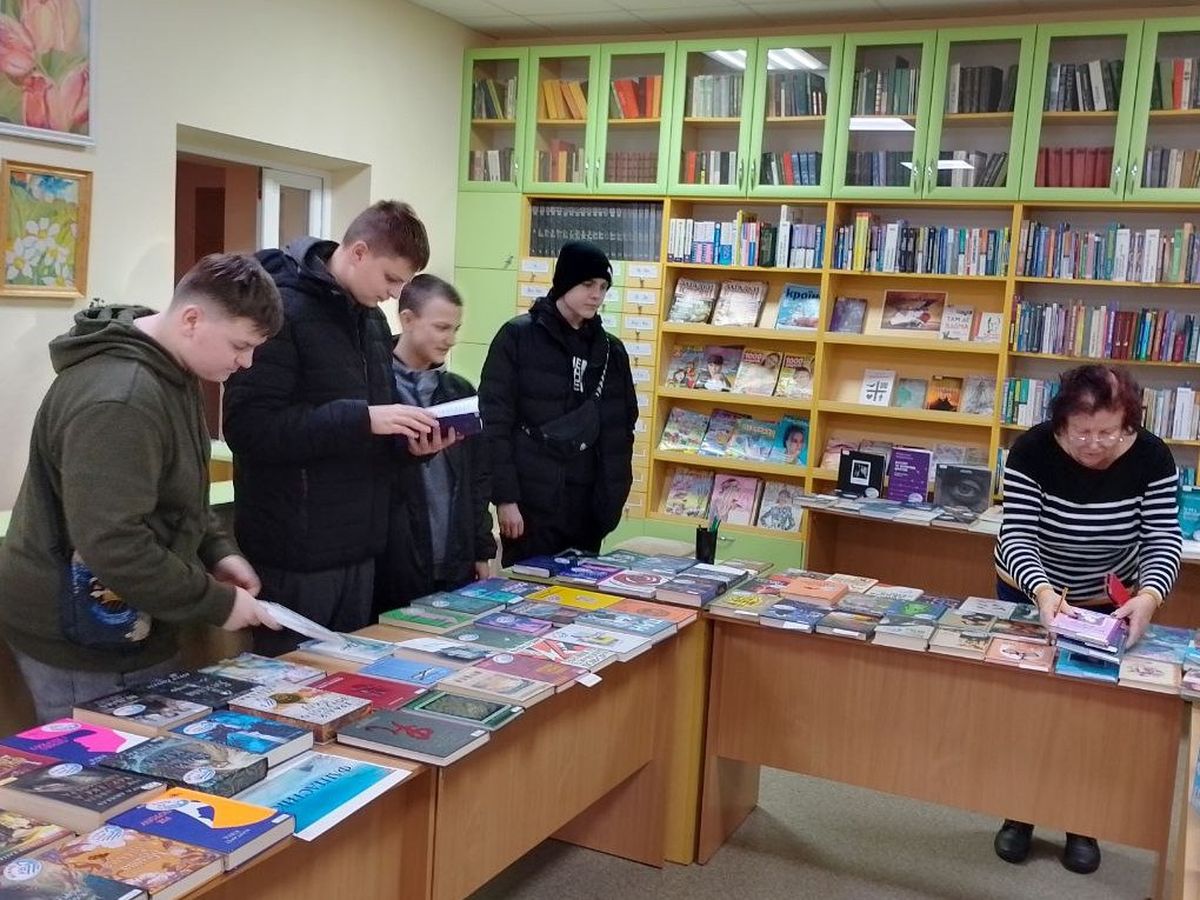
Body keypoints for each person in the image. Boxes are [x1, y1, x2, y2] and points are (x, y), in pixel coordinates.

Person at [0, 253, 284, 723]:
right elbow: (114, 544)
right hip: (80, 637)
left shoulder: (173, 370)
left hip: (128, 618)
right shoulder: (121, 398)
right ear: (191, 319)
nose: (246, 362)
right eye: (240, 345)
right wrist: (217, 602)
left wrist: (217, 550)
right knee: (106, 762)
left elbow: (179, 491)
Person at [223, 201, 450, 656]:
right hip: (295, 553)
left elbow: (368, 431)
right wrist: (360, 418)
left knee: (348, 681)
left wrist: (411, 447)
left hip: (359, 549)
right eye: (390, 279)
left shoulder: (371, 320)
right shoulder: (282, 309)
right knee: (289, 685)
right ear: (359, 252)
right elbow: (250, 428)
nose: (394, 294)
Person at [992, 364, 1182, 875]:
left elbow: (1162, 538)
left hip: (1106, 603)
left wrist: (1150, 596)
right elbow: (1017, 534)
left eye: (1108, 432)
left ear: (1128, 423)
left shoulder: (1153, 456)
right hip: (1033, 590)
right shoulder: (1032, 450)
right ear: (1062, 422)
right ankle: (1019, 812)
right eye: (1082, 432)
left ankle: (1082, 821)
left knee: (1091, 716)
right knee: (1027, 709)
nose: (1094, 444)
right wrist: (1042, 592)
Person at [480, 240, 637, 568]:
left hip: (588, 508)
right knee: (527, 591)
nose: (596, 295)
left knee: (581, 592)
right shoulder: (517, 337)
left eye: (603, 287)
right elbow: (494, 422)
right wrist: (505, 498)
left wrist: (610, 505)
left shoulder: (611, 351)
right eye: (588, 284)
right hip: (531, 505)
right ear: (565, 282)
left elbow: (620, 432)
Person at [373, 274, 496, 613]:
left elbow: (477, 479)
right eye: (441, 328)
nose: (450, 339)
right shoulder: (375, 390)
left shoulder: (459, 392)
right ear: (408, 319)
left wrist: (481, 549)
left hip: (455, 560)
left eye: (455, 329)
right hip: (393, 563)